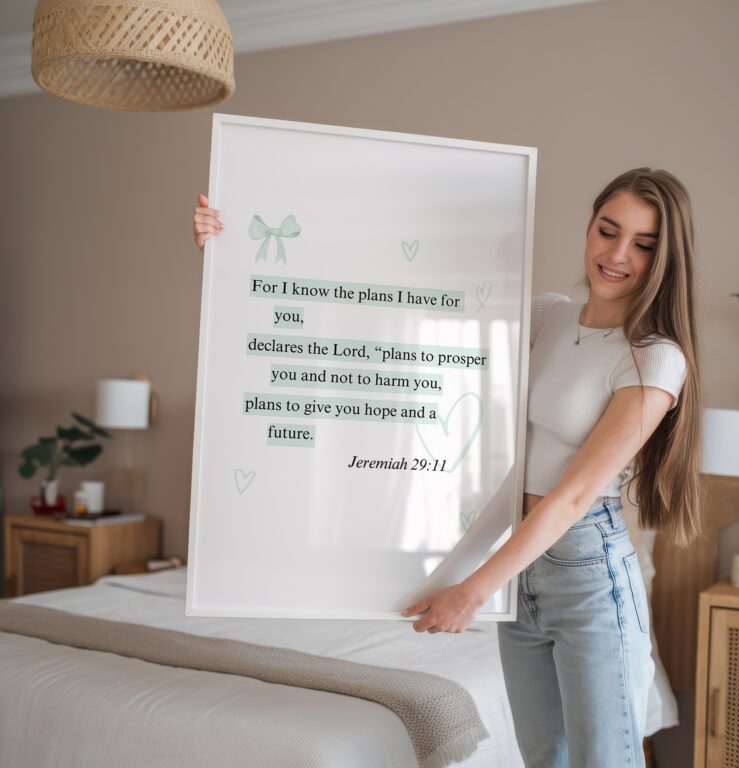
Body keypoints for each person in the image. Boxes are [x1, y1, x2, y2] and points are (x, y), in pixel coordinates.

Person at [191, 168, 704, 767]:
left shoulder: (654, 359)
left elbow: (571, 498)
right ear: (589, 227)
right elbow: (392, 301)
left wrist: (473, 589)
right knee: (544, 759)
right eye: (607, 231)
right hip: (522, 573)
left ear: (665, 258)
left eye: (643, 245)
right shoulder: (548, 317)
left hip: (590, 576)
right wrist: (238, 252)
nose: (616, 255)